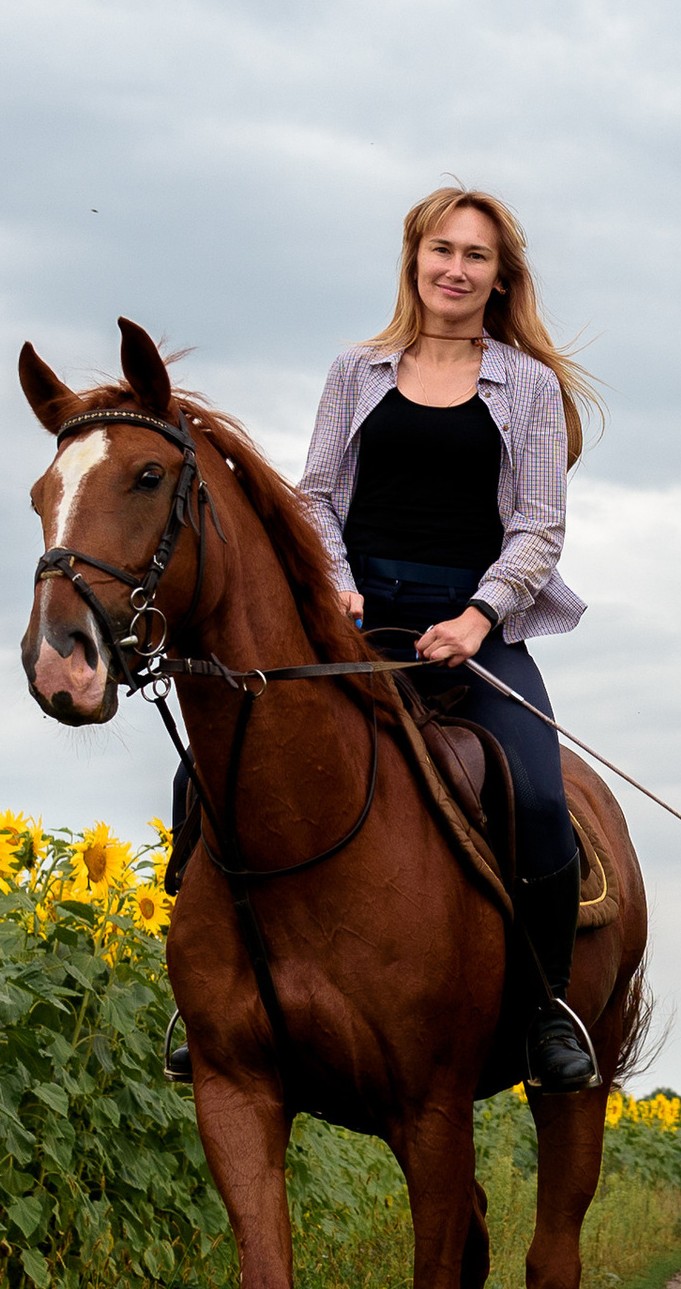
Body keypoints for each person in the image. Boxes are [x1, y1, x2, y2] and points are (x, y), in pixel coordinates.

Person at [165, 187, 602, 1092]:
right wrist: (333, 581)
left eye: (475, 256)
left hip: (474, 624)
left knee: (535, 792)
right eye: (441, 250)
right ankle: (208, 991)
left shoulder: (526, 384)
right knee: (207, 769)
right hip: (352, 616)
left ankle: (547, 1009)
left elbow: (539, 526)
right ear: (414, 261)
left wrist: (479, 616)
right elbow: (317, 493)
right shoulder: (355, 372)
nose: (455, 269)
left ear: (498, 277)